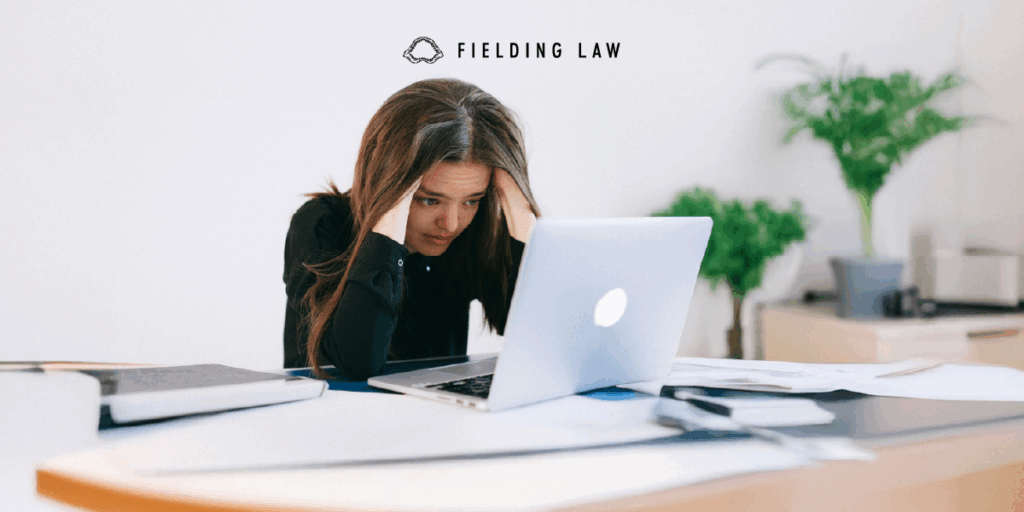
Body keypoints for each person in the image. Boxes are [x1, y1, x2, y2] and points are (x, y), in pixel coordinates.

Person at [283, 78, 541, 379]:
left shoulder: (471, 232)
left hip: (435, 417)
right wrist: (389, 217)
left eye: (471, 201)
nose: (451, 224)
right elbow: (358, 362)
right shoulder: (320, 223)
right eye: (429, 200)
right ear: (391, 183)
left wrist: (521, 213)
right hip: (331, 415)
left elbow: (537, 334)